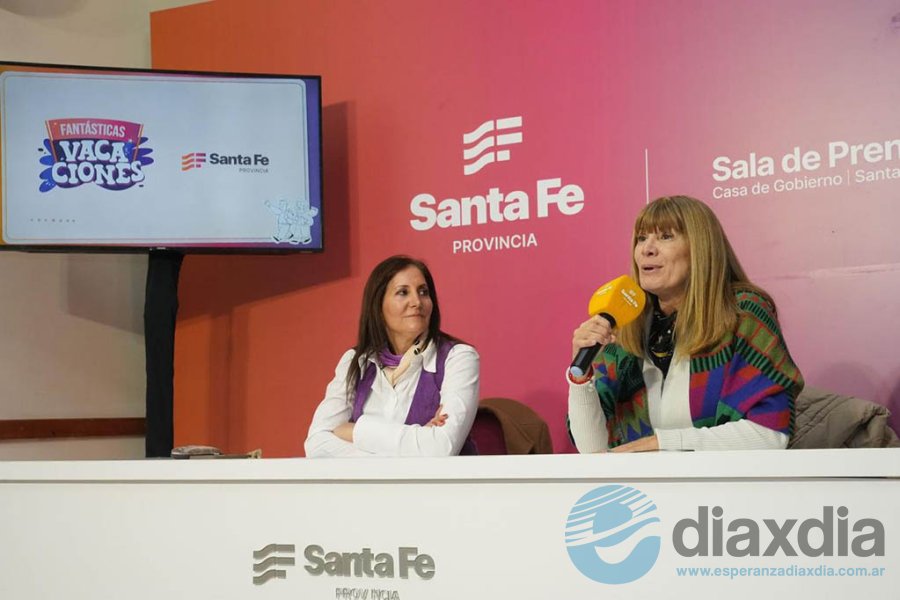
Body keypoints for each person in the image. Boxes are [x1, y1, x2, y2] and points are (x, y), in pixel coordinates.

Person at [567, 195, 803, 452]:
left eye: (666, 236)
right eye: (641, 238)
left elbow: (770, 434)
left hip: (728, 486)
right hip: (645, 489)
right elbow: (592, 450)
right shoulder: (626, 324)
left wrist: (664, 444)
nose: (647, 249)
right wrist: (581, 376)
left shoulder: (741, 311)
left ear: (700, 248)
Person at [305, 255, 479, 457]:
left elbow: (441, 448)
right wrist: (417, 443)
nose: (416, 302)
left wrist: (355, 431)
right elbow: (317, 444)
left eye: (423, 292)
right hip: (367, 489)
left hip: (437, 489)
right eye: (403, 292)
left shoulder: (458, 358)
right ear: (378, 306)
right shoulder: (355, 360)